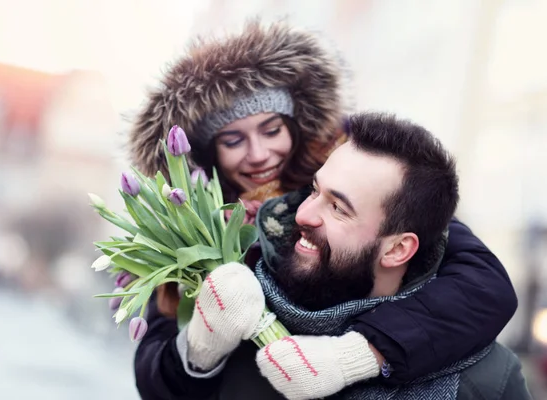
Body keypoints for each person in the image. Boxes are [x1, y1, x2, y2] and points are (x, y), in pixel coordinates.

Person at [127, 20, 519, 398]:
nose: (259, 155)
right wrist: (201, 346)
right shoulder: (188, 230)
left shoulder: (351, 184)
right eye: (233, 140)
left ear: (294, 127)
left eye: (270, 130)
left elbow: (483, 286)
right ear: (206, 152)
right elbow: (155, 376)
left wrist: (360, 353)